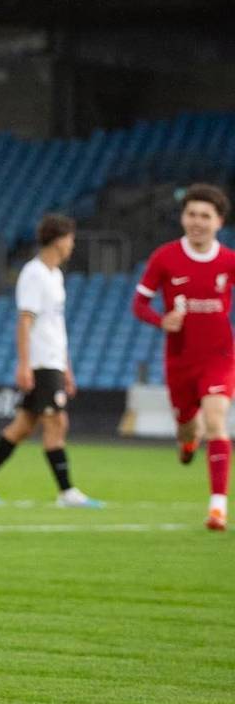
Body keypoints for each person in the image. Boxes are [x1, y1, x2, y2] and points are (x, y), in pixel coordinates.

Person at [0, 214, 103, 508]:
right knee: (57, 422)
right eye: (71, 238)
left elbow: (56, 325)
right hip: (40, 362)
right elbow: (25, 320)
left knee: (25, 425)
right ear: (59, 239)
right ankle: (67, 492)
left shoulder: (55, 276)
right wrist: (24, 364)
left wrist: (67, 368)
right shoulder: (34, 274)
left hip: (54, 361)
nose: (73, 244)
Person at [132, 183, 235, 532]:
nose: (197, 221)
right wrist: (162, 320)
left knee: (217, 419)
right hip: (180, 359)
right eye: (192, 214)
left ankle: (217, 507)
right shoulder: (165, 257)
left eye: (205, 216)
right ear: (182, 217)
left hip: (219, 356)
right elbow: (139, 303)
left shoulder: (229, 261)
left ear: (219, 221)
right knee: (188, 426)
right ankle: (188, 440)